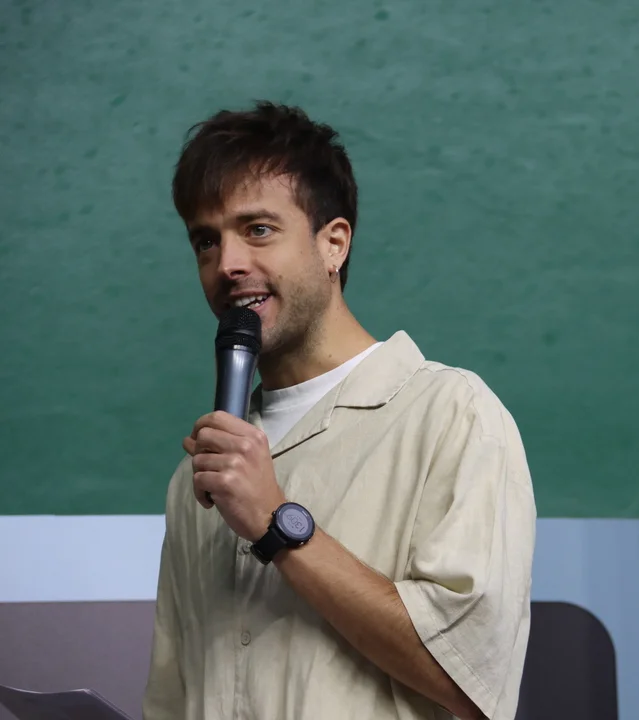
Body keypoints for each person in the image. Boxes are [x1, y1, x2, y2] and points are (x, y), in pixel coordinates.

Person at [142, 101, 537, 720]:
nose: (228, 264)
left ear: (334, 244)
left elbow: (470, 679)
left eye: (258, 229)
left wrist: (275, 523)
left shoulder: (450, 415)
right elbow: (171, 702)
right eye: (206, 240)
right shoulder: (202, 478)